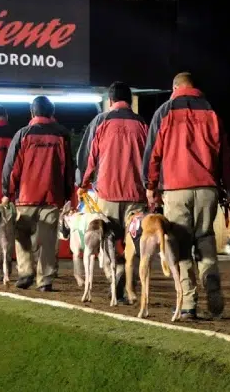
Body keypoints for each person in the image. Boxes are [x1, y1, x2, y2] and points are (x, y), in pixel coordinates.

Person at [142, 72, 230, 319]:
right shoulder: (210, 111)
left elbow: (154, 153)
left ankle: (188, 303)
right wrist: (227, 187)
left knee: (180, 244)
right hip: (207, 187)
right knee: (205, 236)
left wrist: (150, 185)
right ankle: (211, 280)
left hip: (176, 188)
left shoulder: (165, 111)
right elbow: (225, 153)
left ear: (175, 88)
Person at [76, 82, 148, 300]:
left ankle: (115, 275)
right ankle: (128, 285)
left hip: (107, 194)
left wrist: (83, 183)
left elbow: (88, 157)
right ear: (130, 100)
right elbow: (151, 157)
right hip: (136, 194)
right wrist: (153, 187)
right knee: (134, 242)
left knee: (108, 241)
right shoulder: (142, 123)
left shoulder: (101, 121)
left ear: (110, 101)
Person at [1, 96, 74, 292]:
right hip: (52, 195)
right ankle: (45, 280)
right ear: (52, 113)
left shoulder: (23, 134)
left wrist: (7, 191)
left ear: (32, 112)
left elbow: (12, 166)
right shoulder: (62, 134)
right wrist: (68, 193)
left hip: (26, 196)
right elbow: (68, 166)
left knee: (22, 234)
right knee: (48, 239)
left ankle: (26, 272)